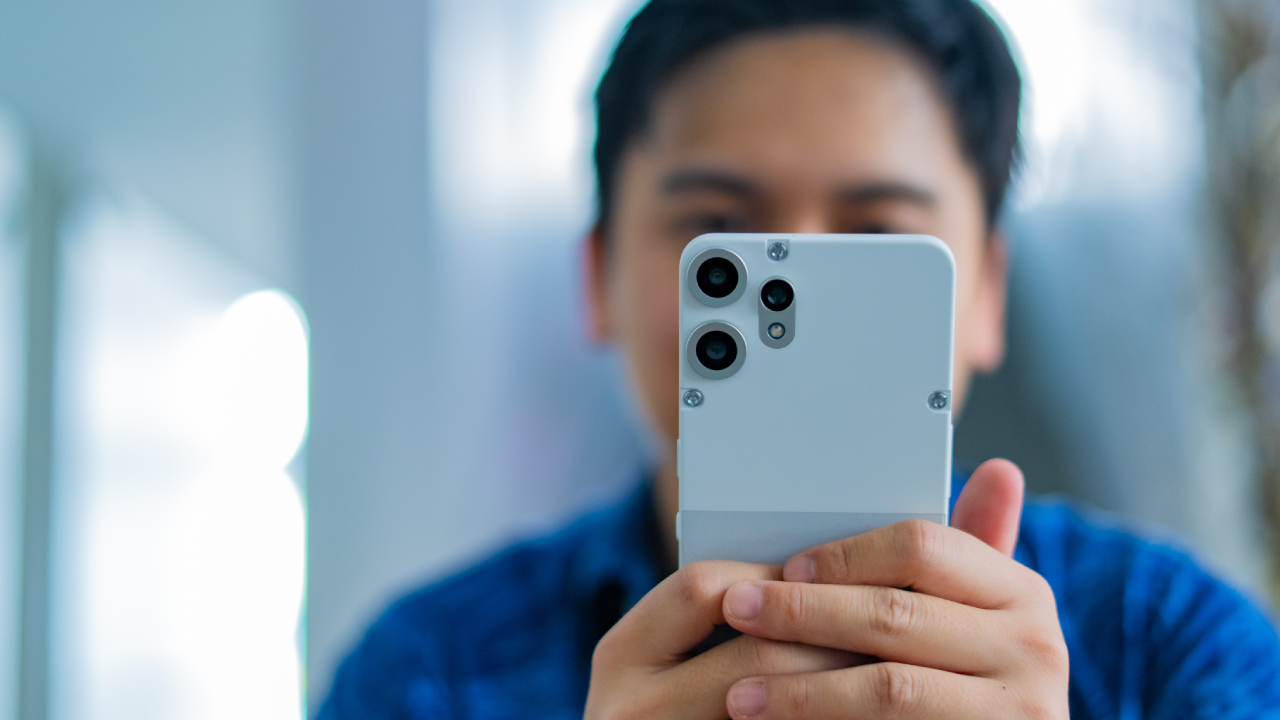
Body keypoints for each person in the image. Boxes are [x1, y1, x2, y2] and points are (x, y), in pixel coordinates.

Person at [317, 0, 1280, 717]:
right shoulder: (426, 675)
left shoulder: (1170, 642)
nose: (802, 278)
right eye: (719, 232)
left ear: (987, 291)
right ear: (596, 277)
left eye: (877, 234)